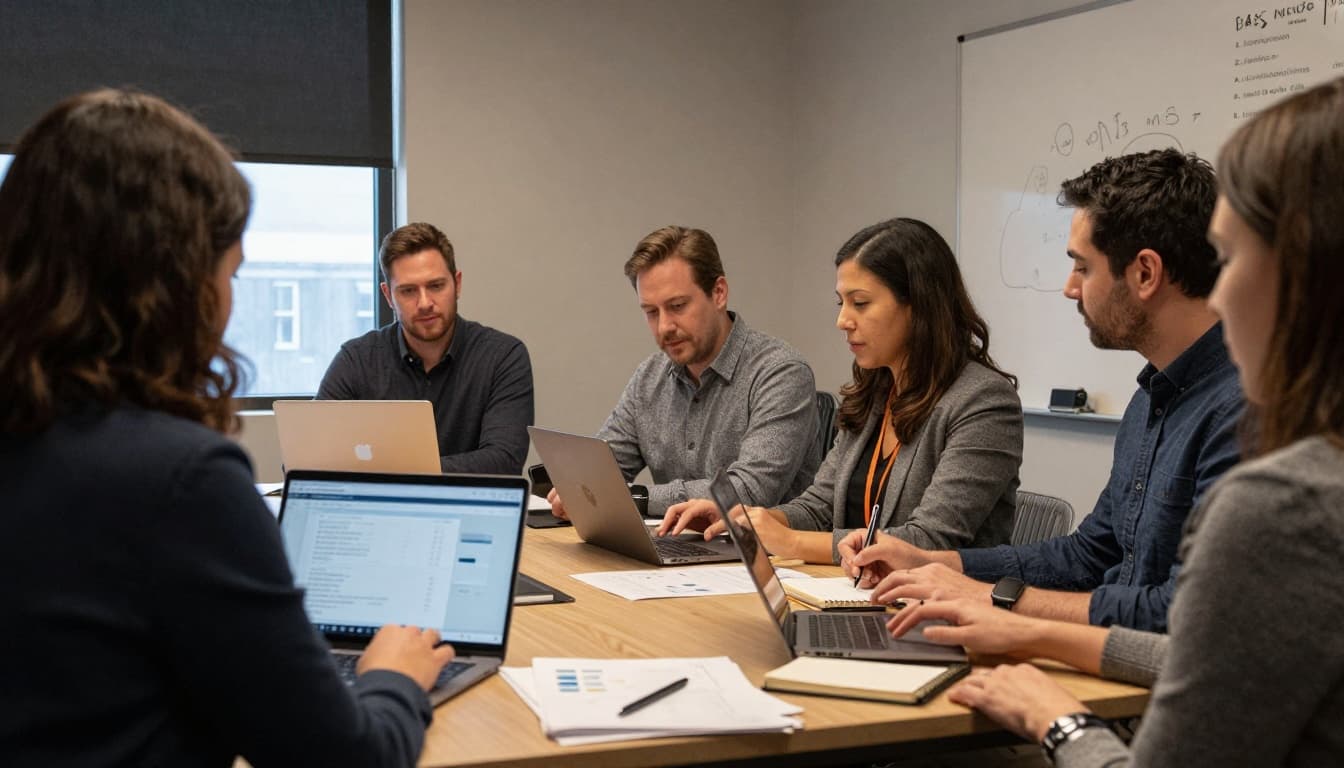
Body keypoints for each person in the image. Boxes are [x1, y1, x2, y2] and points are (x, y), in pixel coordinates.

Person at [884, 75, 1344, 767]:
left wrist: (1054, 713)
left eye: (1235, 256)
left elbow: (1178, 624)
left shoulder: (1283, 494)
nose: (1221, 286)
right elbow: (1110, 565)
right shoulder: (1157, 395)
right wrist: (976, 589)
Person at [0, 90, 452, 766]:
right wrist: (391, 676)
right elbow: (344, 758)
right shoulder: (179, 480)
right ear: (174, 283)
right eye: (231, 271)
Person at [842, 149, 1244, 631]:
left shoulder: (1241, 411)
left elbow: (1180, 613)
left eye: (1082, 267)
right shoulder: (1151, 399)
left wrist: (993, 599)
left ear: (1145, 273)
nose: (1070, 288)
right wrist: (939, 564)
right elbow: (1088, 555)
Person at [659, 217, 1023, 564]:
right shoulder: (875, 393)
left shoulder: (985, 403)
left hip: (942, 617)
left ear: (919, 306)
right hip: (855, 597)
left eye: (860, 303)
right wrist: (749, 520)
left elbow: (927, 542)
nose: (842, 321)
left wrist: (792, 542)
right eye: (842, 302)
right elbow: (820, 507)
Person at [548, 225, 820, 518]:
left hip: (764, 558)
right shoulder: (649, 377)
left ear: (718, 293)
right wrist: (578, 485)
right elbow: (600, 469)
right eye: (651, 312)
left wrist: (635, 496)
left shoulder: (780, 372)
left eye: (677, 306)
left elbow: (749, 491)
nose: (664, 326)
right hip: (678, 549)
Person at [317, 222, 533, 474]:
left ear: (457, 284)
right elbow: (308, 458)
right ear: (388, 296)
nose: (424, 303)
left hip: (471, 509)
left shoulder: (503, 357)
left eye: (436, 286)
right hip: (379, 511)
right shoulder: (357, 359)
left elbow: (503, 460)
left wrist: (395, 474)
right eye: (408, 291)